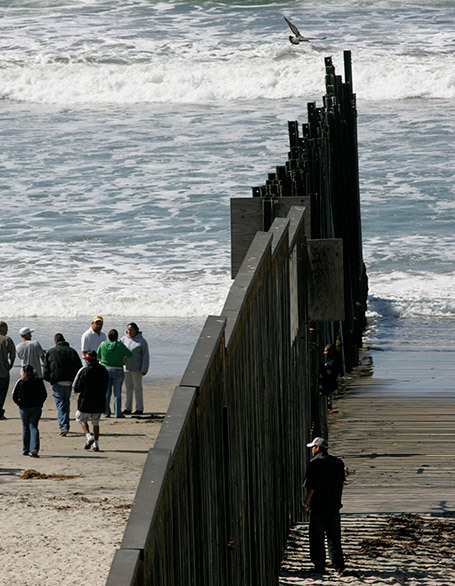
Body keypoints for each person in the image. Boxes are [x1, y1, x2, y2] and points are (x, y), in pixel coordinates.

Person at [302, 437, 346, 574]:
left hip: (318, 506)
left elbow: (311, 488)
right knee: (334, 537)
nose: (311, 451)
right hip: (333, 506)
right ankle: (338, 565)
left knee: (317, 537)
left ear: (318, 448)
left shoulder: (314, 463)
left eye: (312, 448)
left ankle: (319, 566)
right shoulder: (338, 463)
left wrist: (305, 503)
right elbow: (342, 484)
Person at [43, 333, 82, 436]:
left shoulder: (51, 352)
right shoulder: (72, 351)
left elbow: (46, 368)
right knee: (66, 403)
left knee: (60, 404)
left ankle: (63, 426)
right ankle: (66, 425)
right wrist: (76, 381)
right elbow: (79, 367)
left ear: (55, 341)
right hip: (69, 382)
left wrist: (49, 379)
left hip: (57, 381)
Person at [72, 350, 109, 452]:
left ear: (88, 360)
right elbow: (106, 384)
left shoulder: (84, 370)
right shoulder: (103, 369)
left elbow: (77, 386)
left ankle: (89, 437)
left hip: (85, 400)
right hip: (99, 400)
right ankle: (96, 444)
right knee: (96, 422)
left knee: (81, 419)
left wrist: (76, 391)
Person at [12, 364, 47, 457]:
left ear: (24, 372)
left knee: (25, 428)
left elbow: (14, 395)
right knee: (33, 427)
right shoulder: (38, 381)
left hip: (24, 408)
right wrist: (40, 403)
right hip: (36, 407)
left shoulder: (21, 381)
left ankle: (25, 449)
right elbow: (44, 394)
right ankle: (34, 449)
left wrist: (19, 403)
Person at [97, 329, 132, 418]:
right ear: (116, 337)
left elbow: (98, 356)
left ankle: (106, 412)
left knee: (106, 393)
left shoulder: (102, 344)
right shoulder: (120, 345)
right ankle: (118, 412)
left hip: (106, 370)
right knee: (117, 393)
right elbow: (130, 354)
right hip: (118, 370)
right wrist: (122, 356)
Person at [120, 322, 149, 415]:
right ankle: (128, 408)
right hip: (126, 368)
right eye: (128, 330)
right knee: (128, 389)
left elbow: (145, 356)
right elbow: (118, 352)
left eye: (131, 330)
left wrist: (144, 368)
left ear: (136, 330)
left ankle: (139, 408)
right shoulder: (123, 339)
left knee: (137, 388)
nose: (130, 332)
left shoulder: (142, 341)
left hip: (137, 369)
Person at [0, 321, 16, 420]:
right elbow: (13, 355)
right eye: (6, 328)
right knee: (2, 393)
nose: (7, 330)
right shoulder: (7, 340)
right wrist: (10, 365)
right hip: (3, 371)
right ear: (2, 328)